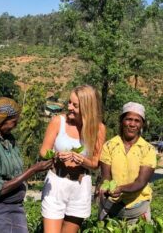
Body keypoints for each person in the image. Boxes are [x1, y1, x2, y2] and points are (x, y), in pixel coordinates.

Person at [0, 97, 53, 233]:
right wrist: (33, 170)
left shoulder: (9, 140)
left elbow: (15, 173)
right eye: (14, 122)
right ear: (2, 121)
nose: (16, 125)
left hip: (16, 207)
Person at [40, 85, 106, 233]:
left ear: (87, 107)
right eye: (69, 102)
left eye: (75, 105)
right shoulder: (58, 121)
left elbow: (95, 163)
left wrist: (81, 159)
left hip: (80, 186)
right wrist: (55, 155)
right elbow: (44, 151)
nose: (69, 107)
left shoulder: (99, 129)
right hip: (56, 183)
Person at [98, 102, 156, 224]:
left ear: (142, 125)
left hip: (138, 208)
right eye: (128, 119)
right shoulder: (109, 146)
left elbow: (141, 182)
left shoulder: (148, 149)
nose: (132, 124)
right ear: (121, 121)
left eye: (137, 121)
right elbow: (106, 178)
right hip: (111, 207)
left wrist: (121, 189)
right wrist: (106, 188)